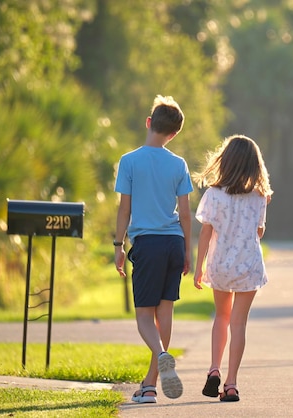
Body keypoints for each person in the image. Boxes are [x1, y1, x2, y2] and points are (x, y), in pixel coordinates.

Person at [113, 95, 193, 404]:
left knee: (145, 317)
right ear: (174, 134)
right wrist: (189, 251)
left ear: (149, 123)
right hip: (173, 242)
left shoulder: (129, 161)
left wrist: (118, 246)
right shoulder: (178, 164)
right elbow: (185, 214)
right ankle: (149, 385)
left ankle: (161, 354)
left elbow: (124, 210)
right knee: (165, 312)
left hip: (146, 244)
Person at [192, 134, 273, 402]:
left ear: (224, 162)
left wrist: (198, 267)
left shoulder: (214, 195)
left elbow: (205, 233)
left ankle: (214, 368)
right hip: (247, 266)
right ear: (254, 165)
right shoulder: (259, 197)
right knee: (239, 324)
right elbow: (258, 232)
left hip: (220, 265)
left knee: (221, 318)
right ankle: (231, 384)